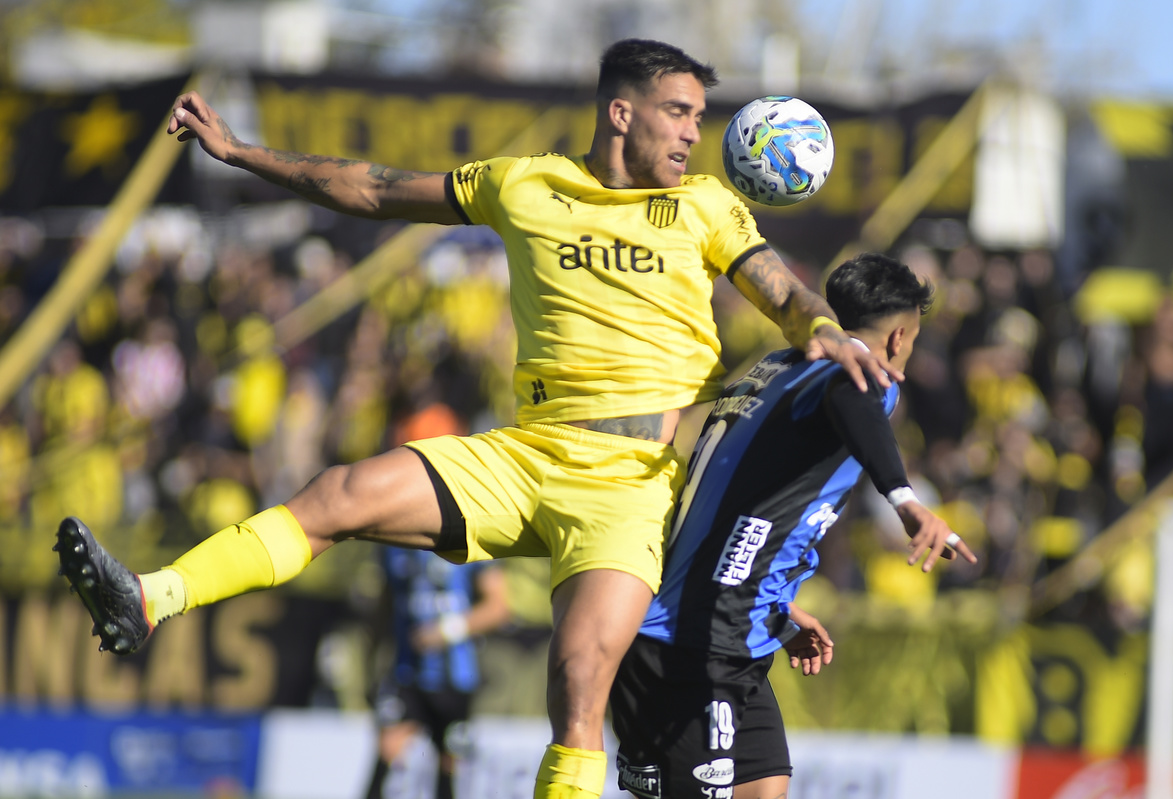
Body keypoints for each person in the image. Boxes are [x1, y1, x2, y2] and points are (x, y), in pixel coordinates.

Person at [54, 39, 900, 799]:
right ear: (621, 111)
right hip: (528, 455)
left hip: (632, 490)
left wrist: (821, 326)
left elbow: (782, 290)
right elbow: (374, 188)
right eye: (679, 112)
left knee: (577, 684)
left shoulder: (707, 207)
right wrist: (242, 153)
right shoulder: (524, 184)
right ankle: (150, 598)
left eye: (699, 117)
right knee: (339, 491)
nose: (693, 133)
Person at [609, 253, 979, 799]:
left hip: (734, 626)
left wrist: (774, 608)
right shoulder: (852, 376)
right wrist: (905, 499)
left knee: (766, 788)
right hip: (687, 643)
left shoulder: (777, 366)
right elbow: (851, 396)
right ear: (899, 337)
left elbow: (738, 503)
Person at [363, 552, 509, 799]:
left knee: (449, 767)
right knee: (388, 749)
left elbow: (498, 607)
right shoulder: (391, 545)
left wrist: (447, 630)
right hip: (406, 675)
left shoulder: (471, 542)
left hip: (457, 679)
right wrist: (372, 664)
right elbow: (385, 606)